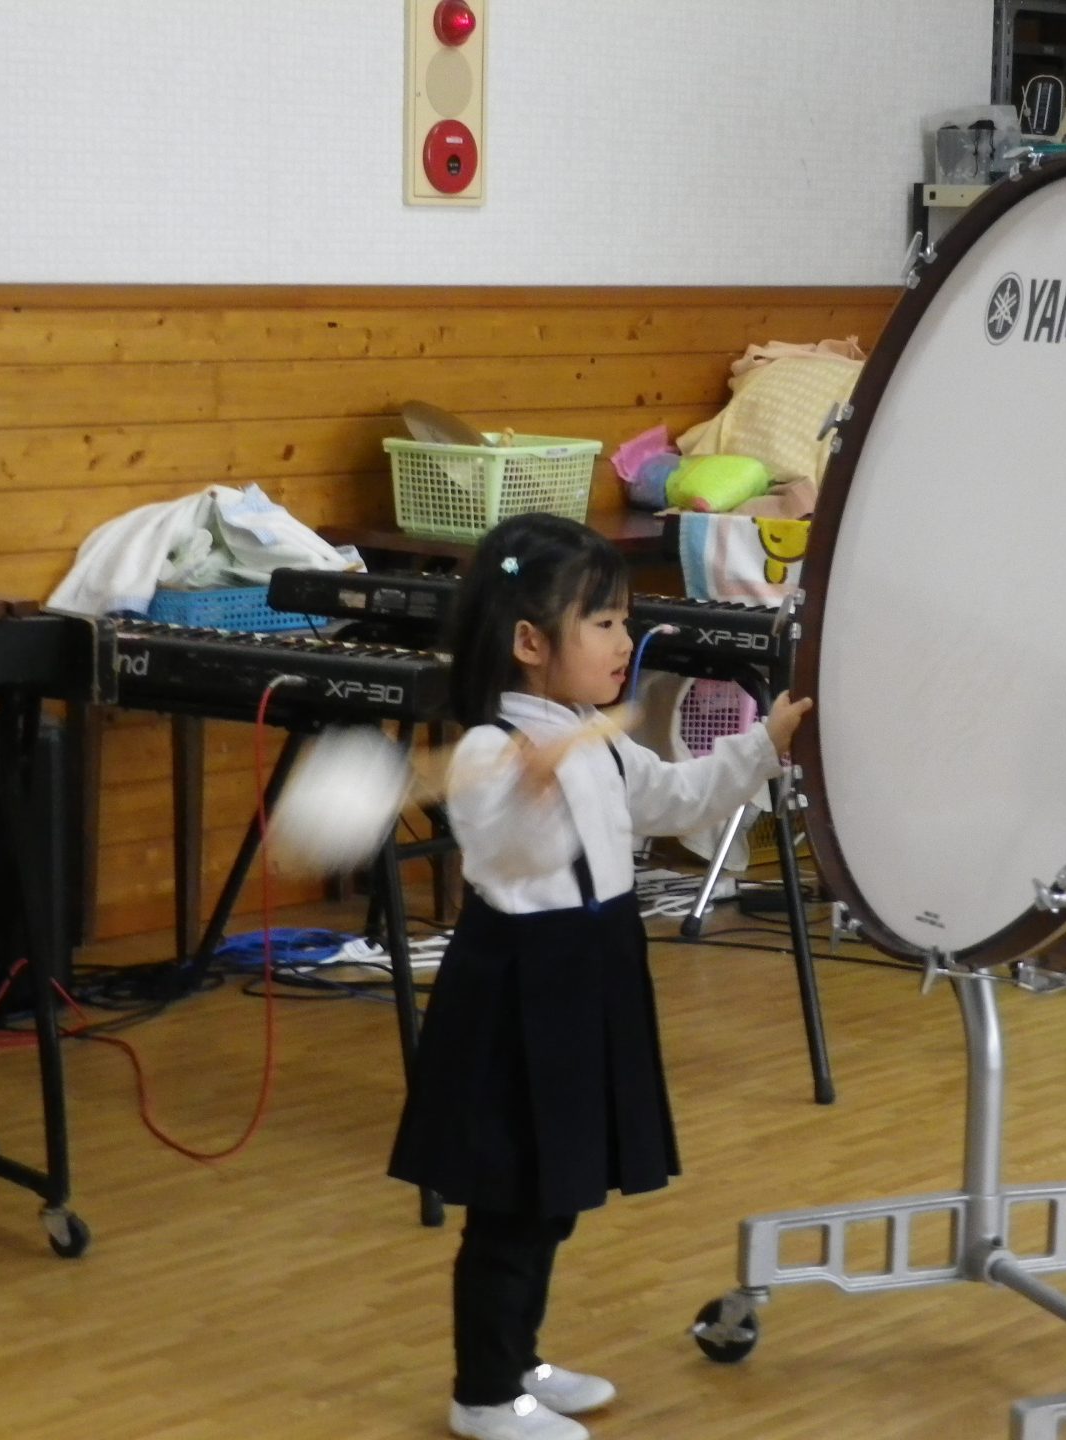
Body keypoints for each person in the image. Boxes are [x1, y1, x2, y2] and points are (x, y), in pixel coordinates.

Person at [388, 513, 812, 1440]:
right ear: (529, 642)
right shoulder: (492, 750)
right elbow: (505, 849)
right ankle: (483, 1395)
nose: (626, 642)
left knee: (555, 1193)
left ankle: (518, 1359)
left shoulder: (596, 736)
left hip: (595, 969)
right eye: (606, 623)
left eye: (624, 622)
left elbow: (674, 798)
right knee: (512, 1201)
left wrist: (765, 743)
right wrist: (528, 789)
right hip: (522, 987)